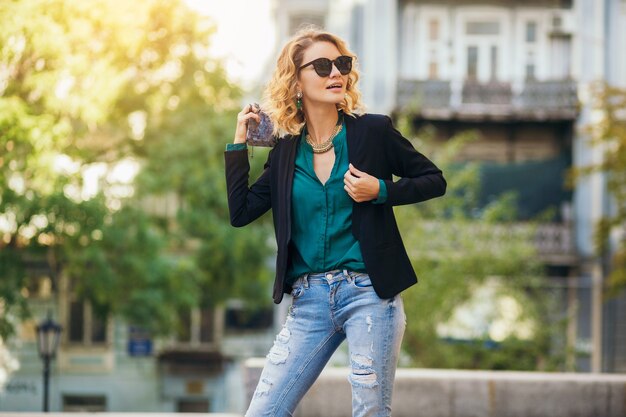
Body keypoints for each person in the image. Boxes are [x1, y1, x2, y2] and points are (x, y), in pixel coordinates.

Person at [224, 26, 446, 417]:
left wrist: (381, 190)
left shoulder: (373, 131)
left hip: (370, 294)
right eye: (322, 66)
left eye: (341, 64)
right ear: (296, 82)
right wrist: (239, 145)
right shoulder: (285, 153)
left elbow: (434, 180)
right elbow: (241, 213)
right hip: (309, 301)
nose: (335, 74)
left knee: (369, 411)